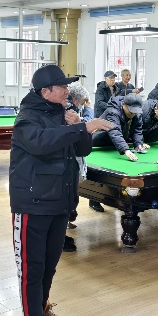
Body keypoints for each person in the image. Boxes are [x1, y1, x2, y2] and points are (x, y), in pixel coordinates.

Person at [9, 66, 111, 316]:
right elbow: (41, 143)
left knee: (49, 264)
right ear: (45, 92)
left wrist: (79, 125)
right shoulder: (27, 118)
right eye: (62, 86)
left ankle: (41, 308)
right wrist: (81, 128)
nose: (68, 90)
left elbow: (83, 150)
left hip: (60, 201)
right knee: (32, 268)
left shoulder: (64, 113)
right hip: (32, 203)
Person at [64, 82, 94, 251]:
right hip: (70, 160)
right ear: (75, 100)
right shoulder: (71, 111)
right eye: (82, 102)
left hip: (72, 159)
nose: (83, 104)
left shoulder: (70, 108)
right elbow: (88, 126)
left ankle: (69, 219)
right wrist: (89, 109)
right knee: (69, 195)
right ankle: (65, 225)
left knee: (70, 195)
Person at [91, 94, 147, 159]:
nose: (133, 114)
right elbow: (115, 131)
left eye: (135, 111)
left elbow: (137, 129)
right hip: (98, 143)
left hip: (116, 144)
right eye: (131, 111)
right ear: (123, 104)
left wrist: (138, 144)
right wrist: (126, 150)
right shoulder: (112, 112)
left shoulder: (137, 113)